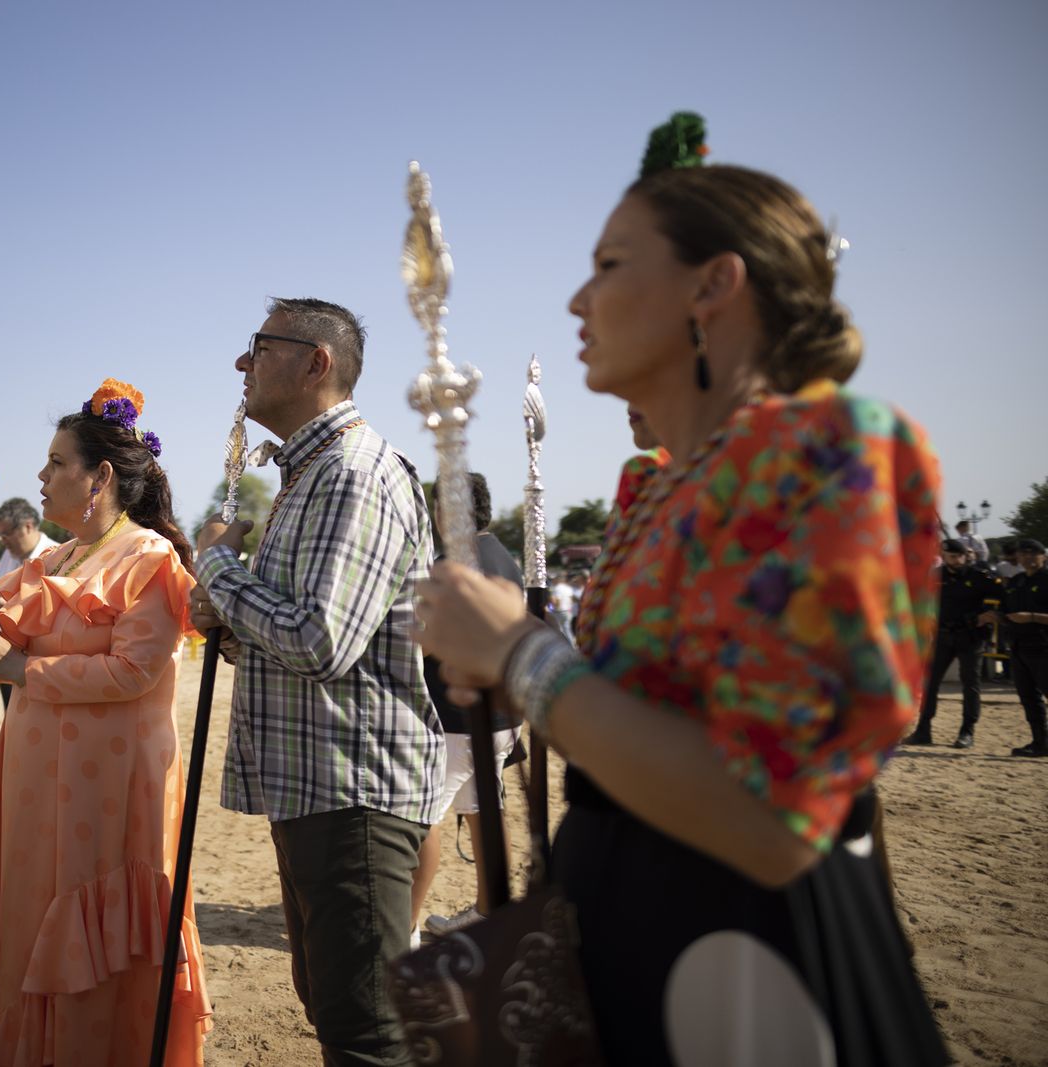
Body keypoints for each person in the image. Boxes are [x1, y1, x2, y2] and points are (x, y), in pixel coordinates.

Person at [414, 115, 947, 1065]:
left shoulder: (832, 448)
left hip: (748, 958)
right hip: (625, 927)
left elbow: (776, 820)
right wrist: (505, 671)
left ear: (713, 283)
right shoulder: (653, 487)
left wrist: (525, 658)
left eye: (611, 264)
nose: (580, 298)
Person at [0, 377, 211, 1065]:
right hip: (34, 781)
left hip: (109, 793)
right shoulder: (57, 559)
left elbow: (134, 672)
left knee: (82, 929)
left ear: (99, 478)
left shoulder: (149, 560)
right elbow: (8, 639)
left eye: (56, 462)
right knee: (24, 910)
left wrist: (19, 669)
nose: (40, 476)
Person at [190, 298, 441, 1065]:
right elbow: (305, 634)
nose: (243, 365)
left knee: (367, 1031)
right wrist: (228, 623)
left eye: (258, 348)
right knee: (339, 1008)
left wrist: (217, 566)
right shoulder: (309, 477)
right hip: (315, 788)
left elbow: (320, 639)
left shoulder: (353, 475)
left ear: (315, 362)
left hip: (353, 793)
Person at [414, 473, 524, 944]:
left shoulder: (454, 562)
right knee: (484, 805)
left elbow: (425, 638)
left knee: (420, 821)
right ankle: (490, 910)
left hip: (457, 715)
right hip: (503, 717)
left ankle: (405, 928)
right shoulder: (503, 555)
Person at [906, 538, 1003, 748]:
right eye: (951, 556)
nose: (956, 560)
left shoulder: (979, 577)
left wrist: (986, 614)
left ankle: (967, 732)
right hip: (942, 636)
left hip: (970, 637)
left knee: (970, 685)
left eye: (959, 556)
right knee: (930, 684)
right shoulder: (936, 575)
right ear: (944, 555)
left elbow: (1004, 596)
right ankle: (923, 730)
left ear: (966, 555)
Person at [0, 498, 60, 705]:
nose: (3, 540)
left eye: (7, 533)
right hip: (5, 653)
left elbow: (54, 611)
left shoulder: (58, 556)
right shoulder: (8, 556)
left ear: (27, 526)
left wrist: (8, 607)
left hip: (39, 661)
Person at [990, 538, 1048, 757]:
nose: (1027, 558)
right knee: (1029, 699)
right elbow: (1007, 613)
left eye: (1033, 554)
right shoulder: (1016, 582)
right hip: (1018, 647)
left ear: (1043, 556)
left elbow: (1026, 616)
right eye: (1023, 555)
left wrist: (1033, 617)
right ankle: (1040, 743)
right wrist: (996, 617)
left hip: (1043, 647)